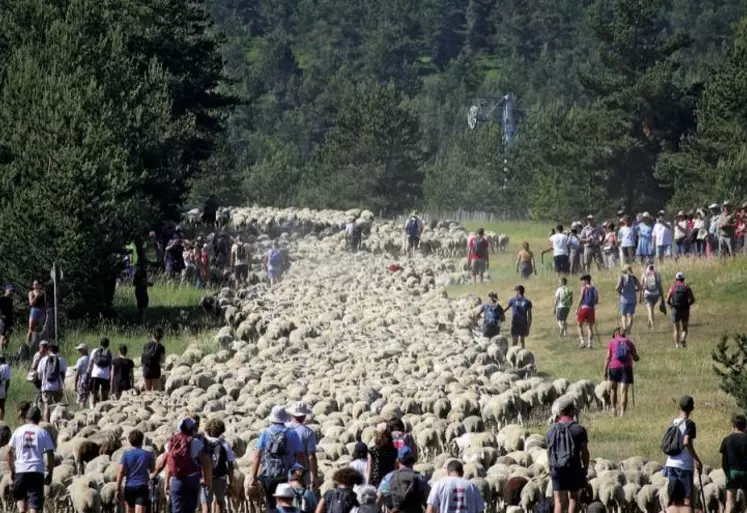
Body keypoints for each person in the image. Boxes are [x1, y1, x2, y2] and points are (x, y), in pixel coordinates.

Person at [249, 406, 304, 513]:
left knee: (270, 502)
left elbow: (257, 456)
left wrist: (253, 477)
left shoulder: (265, 433)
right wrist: (299, 474)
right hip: (287, 474)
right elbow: (300, 455)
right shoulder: (292, 433)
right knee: (286, 502)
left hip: (268, 474)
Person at [158, 418, 213, 513]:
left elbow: (167, 463)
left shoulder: (170, 443)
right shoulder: (196, 442)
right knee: (190, 509)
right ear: (191, 429)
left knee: (176, 509)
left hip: (176, 480)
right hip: (192, 479)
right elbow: (206, 462)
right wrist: (208, 479)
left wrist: (166, 481)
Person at [9, 406, 55, 513]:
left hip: (21, 469)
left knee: (19, 497)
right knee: (34, 504)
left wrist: (12, 469)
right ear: (39, 419)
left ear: (26, 418)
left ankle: (21, 511)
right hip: (37, 470)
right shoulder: (43, 432)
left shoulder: (18, 431)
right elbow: (50, 453)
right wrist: (50, 472)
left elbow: (9, 451)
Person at [547, 399, 589, 513]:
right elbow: (584, 452)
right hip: (573, 467)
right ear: (571, 411)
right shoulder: (579, 429)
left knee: (559, 501)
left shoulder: (551, 430)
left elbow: (549, 452)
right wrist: (585, 467)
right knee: (573, 498)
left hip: (557, 468)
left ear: (560, 413)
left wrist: (550, 467)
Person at [663, 396, 702, 511]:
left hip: (670, 464)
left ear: (679, 407)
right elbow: (686, 441)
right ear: (691, 408)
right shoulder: (689, 424)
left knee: (673, 496)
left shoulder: (674, 422)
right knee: (686, 497)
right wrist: (697, 459)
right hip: (684, 465)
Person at [377, 446, 429, 513]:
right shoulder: (420, 478)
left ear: (398, 460)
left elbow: (378, 498)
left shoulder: (389, 477)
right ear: (413, 461)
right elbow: (429, 501)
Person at [116, 429, 155, 513]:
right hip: (142, 487)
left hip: (129, 487)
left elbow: (121, 472)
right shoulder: (148, 455)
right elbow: (152, 471)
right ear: (142, 441)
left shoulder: (126, 455)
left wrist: (118, 488)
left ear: (130, 441)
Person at [203, 418, 237, 513]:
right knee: (220, 502)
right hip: (220, 477)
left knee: (206, 504)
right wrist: (231, 482)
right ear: (221, 430)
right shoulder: (225, 444)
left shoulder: (203, 443)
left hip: (205, 477)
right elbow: (231, 465)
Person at [604, 328, 639, 417]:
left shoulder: (612, 342)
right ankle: (622, 413)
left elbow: (608, 357)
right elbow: (636, 358)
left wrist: (605, 370)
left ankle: (614, 409)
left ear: (616, 334)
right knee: (624, 391)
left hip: (614, 367)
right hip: (626, 368)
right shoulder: (629, 342)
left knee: (613, 389)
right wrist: (635, 355)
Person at [287, 402, 320, 490]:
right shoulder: (308, 432)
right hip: (300, 474)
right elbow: (311, 457)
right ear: (304, 416)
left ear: (292, 415)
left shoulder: (283, 429)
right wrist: (315, 477)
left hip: (283, 471)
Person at [719, 414, 747, 513]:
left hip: (732, 472)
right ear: (745, 426)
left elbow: (724, 461)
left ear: (733, 426)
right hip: (745, 472)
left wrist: (727, 473)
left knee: (730, 499)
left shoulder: (727, 440)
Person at [666, 272, 695, 349]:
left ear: (676, 279)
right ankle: (683, 338)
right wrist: (688, 305)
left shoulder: (673, 287)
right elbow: (692, 300)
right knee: (685, 328)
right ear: (683, 279)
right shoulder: (687, 287)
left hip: (675, 309)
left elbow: (667, 300)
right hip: (685, 310)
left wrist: (671, 305)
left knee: (676, 329)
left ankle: (677, 345)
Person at [38, 344, 66, 422]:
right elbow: (63, 374)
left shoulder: (43, 360)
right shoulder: (61, 360)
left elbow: (39, 374)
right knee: (58, 406)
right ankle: (58, 423)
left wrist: (42, 382)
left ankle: (47, 424)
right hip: (58, 386)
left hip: (46, 387)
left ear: (48, 351)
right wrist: (61, 383)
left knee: (47, 406)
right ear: (57, 351)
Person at [88, 337, 113, 406]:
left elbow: (90, 364)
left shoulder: (94, 351)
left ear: (100, 343)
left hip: (95, 375)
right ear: (108, 344)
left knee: (93, 394)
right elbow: (111, 366)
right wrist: (109, 376)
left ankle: (93, 407)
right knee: (105, 395)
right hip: (105, 376)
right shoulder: (110, 353)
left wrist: (89, 374)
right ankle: (104, 409)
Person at [576, 275, 599, 349]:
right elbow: (596, 301)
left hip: (584, 308)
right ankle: (590, 343)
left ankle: (582, 342)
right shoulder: (594, 289)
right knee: (589, 327)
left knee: (579, 324)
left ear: (586, 281)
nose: (581, 282)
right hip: (591, 309)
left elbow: (580, 298)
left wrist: (577, 308)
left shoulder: (583, 288)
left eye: (582, 280)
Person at [615, 265, 640, 332]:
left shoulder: (622, 277)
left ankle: (624, 328)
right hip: (633, 299)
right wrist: (634, 290)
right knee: (630, 315)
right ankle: (629, 328)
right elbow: (640, 287)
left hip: (624, 299)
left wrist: (620, 292)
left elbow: (617, 288)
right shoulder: (634, 278)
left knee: (623, 315)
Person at [640, 265, 664, 330]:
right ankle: (649, 323)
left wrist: (640, 296)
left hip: (647, 294)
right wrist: (662, 296)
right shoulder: (657, 274)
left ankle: (653, 324)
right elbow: (660, 286)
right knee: (651, 309)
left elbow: (641, 286)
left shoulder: (644, 274)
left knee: (650, 309)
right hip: (656, 294)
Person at [141, 326, 166, 392]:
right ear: (161, 337)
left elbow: (142, 359)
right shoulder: (161, 347)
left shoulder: (146, 345)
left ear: (153, 335)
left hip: (146, 370)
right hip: (155, 370)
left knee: (147, 391)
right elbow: (162, 361)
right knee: (155, 392)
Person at [29, 341, 49, 407]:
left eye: (46, 346)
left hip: (42, 376)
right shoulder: (38, 355)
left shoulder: (45, 354)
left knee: (40, 391)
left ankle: (36, 405)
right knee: (40, 391)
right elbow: (34, 366)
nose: (45, 348)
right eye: (43, 346)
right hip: (37, 376)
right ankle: (36, 406)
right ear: (40, 347)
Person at [27, 281, 46, 347]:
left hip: (42, 310)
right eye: (35, 284)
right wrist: (36, 296)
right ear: (33, 286)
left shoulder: (43, 292)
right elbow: (31, 303)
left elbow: (45, 302)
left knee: (40, 328)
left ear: (40, 285)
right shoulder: (31, 292)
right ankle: (28, 344)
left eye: (38, 284)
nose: (36, 285)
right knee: (31, 328)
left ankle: (38, 344)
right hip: (35, 310)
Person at [73, 344, 90, 410]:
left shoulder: (81, 360)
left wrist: (75, 384)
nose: (78, 351)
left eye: (80, 350)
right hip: (90, 380)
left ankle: (81, 414)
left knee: (81, 399)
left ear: (84, 350)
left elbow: (77, 373)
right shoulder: (91, 358)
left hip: (83, 380)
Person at [0, 285, 14, 351]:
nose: (11, 291)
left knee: (7, 338)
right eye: (10, 290)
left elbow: (10, 311)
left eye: (12, 290)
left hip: (10, 320)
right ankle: (1, 352)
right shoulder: (2, 298)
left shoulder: (11, 300)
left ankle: (5, 351)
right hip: (3, 320)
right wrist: (1, 316)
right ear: (6, 290)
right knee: (2, 336)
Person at [0, 355, 10, 421]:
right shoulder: (6, 367)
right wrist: (6, 391)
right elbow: (8, 381)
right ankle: (1, 421)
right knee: (2, 406)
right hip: (2, 390)